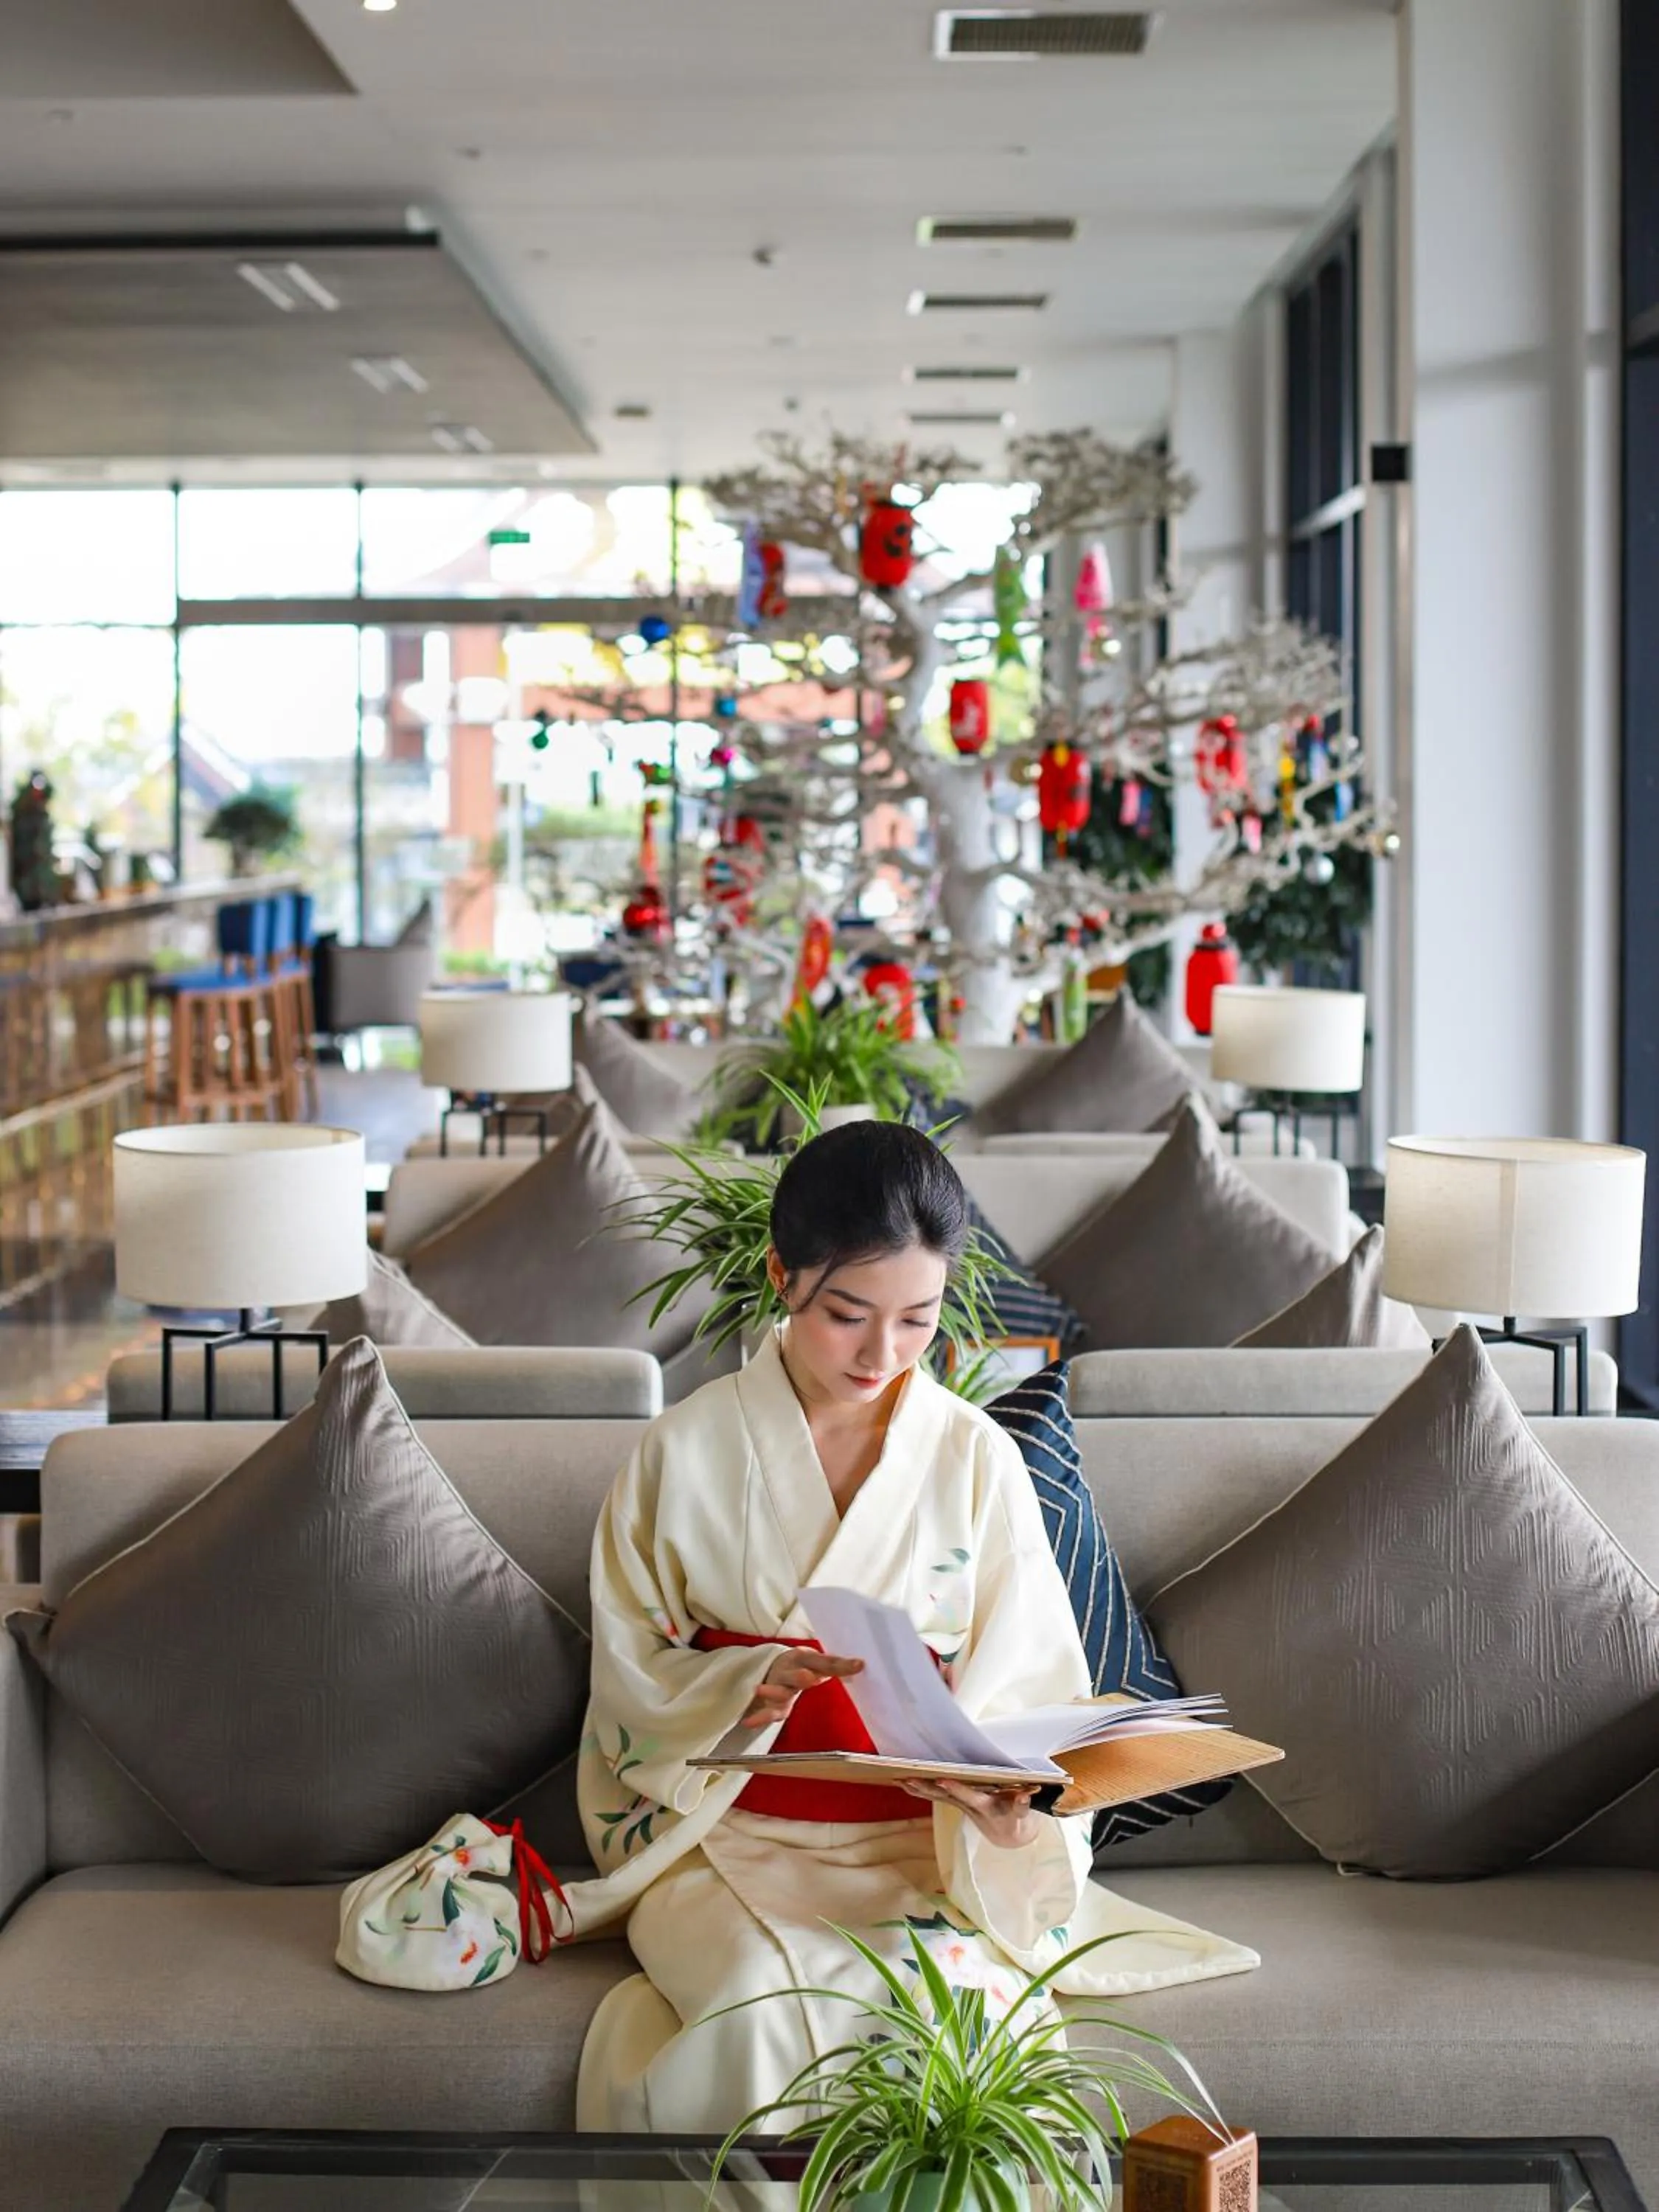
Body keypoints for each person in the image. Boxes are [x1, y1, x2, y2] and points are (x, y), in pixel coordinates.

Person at [560, 1121, 1255, 2132]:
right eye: (846, 1314)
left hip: (923, 1846)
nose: (879, 1354)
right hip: (728, 1841)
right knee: (766, 2004)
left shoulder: (973, 1455)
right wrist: (735, 1690)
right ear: (780, 1275)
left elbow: (1028, 1687)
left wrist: (1011, 1811)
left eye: (915, 1321)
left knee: (977, 2019)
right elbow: (629, 1669)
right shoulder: (683, 1448)